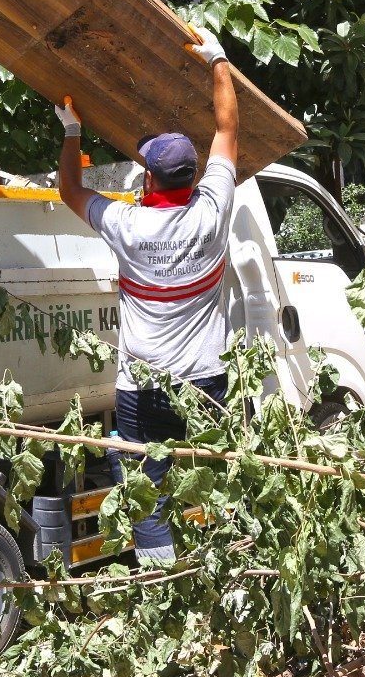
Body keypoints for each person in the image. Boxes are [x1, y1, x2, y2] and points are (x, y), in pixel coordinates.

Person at [52, 27, 237, 565]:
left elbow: (69, 191)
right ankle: (213, 570)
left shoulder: (128, 226)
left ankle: (160, 581)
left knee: (143, 490)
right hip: (206, 383)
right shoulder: (213, 210)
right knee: (206, 480)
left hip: (145, 387)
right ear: (193, 176)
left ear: (150, 182)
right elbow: (228, 127)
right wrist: (218, 61)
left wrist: (71, 133)